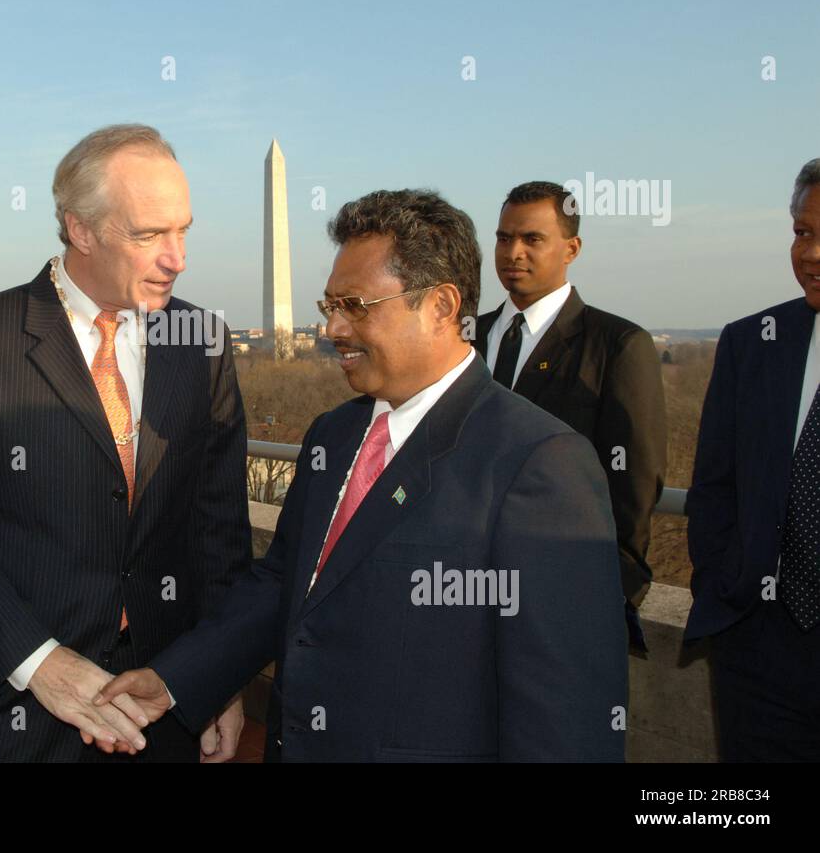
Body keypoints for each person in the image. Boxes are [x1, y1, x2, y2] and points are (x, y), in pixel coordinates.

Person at [97, 189, 628, 762]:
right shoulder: (333, 435)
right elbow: (283, 584)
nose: (334, 329)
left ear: (442, 307)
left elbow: (565, 715)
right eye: (329, 305)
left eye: (355, 305)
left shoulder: (538, 462)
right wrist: (174, 680)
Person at [0, 124, 252, 762]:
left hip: (161, 713)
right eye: (149, 235)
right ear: (79, 229)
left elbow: (218, 531)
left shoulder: (202, 342)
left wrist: (216, 679)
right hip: (12, 715)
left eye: (184, 230)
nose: (178, 257)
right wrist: (44, 665)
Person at [474, 181, 666, 649]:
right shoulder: (461, 340)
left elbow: (635, 485)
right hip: (463, 593)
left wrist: (609, 593)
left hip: (565, 597)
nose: (512, 252)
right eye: (503, 238)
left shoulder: (618, 345)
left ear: (571, 248)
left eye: (531, 239)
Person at [684, 158, 820, 761]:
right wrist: (724, 588)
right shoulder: (752, 342)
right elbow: (714, 485)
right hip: (758, 649)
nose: (812, 254)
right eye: (803, 233)